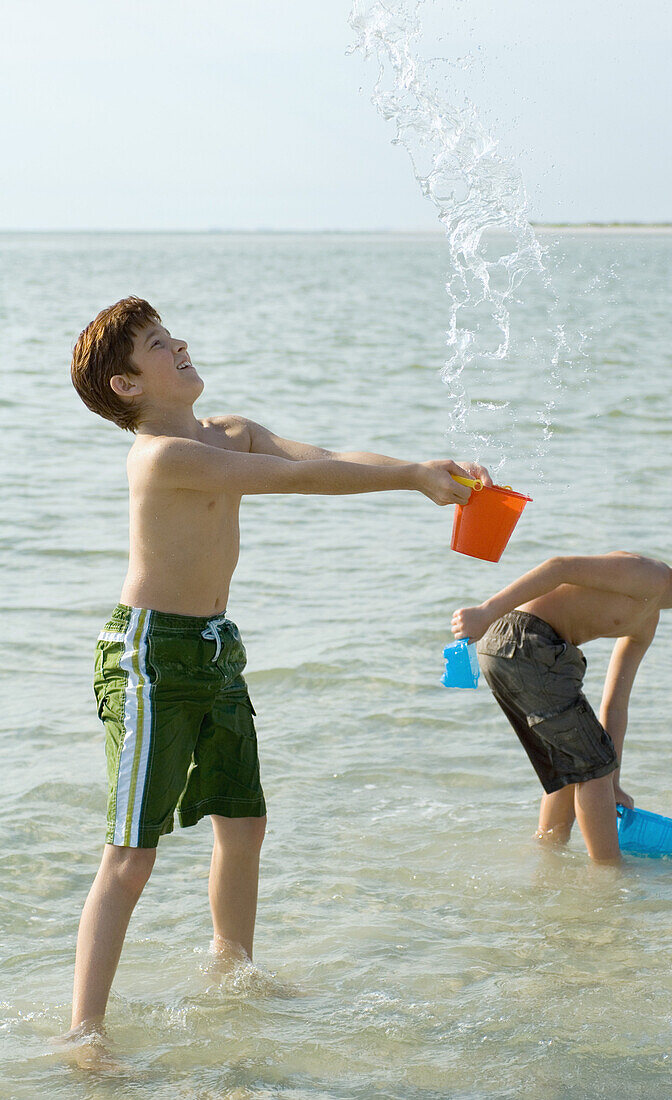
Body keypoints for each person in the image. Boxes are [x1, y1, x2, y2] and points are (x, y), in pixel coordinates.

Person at [65, 295, 490, 1039]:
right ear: (128, 385)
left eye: (171, 334)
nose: (180, 345)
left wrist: (423, 471)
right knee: (132, 856)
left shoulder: (228, 432)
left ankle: (234, 970)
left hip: (215, 648)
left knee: (243, 823)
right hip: (149, 657)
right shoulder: (163, 456)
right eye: (158, 344)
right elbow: (292, 484)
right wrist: (409, 480)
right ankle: (84, 1031)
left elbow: (317, 460)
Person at [450, 533, 672, 863]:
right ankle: (608, 875)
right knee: (593, 769)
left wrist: (614, 783)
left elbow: (615, 704)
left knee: (576, 767)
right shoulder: (649, 575)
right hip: (525, 641)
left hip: (527, 653)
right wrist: (486, 612)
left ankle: (549, 855)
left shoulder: (647, 620)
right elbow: (558, 567)